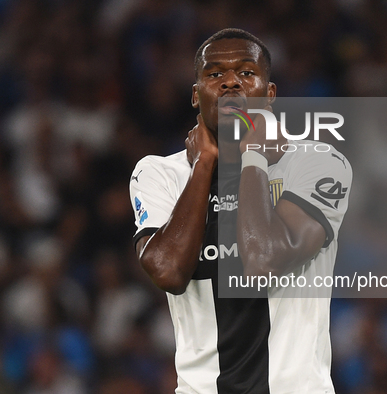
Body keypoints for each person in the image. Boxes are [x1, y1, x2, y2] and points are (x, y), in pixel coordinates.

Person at [130, 28, 352, 394]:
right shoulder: (159, 173)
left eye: (246, 73)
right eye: (214, 74)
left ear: (270, 94)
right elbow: (168, 270)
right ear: (195, 95)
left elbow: (262, 259)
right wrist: (203, 165)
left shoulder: (319, 164)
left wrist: (252, 156)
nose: (231, 82)